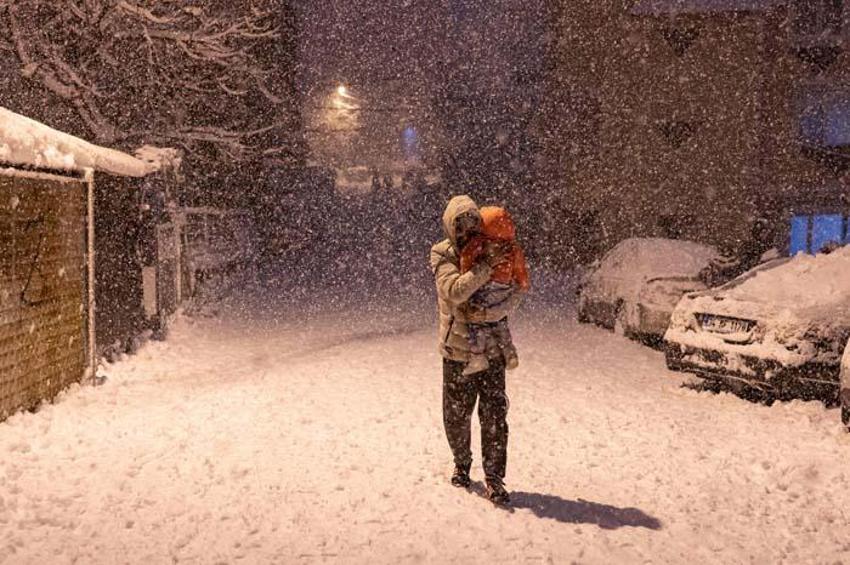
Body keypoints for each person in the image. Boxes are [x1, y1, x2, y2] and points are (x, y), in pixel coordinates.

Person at [429, 195, 524, 506]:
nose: (468, 233)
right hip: (457, 350)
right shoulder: (441, 254)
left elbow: (513, 292)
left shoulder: (493, 245)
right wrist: (484, 268)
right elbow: (454, 291)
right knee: (456, 416)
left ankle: (495, 478)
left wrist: (490, 314)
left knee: (495, 415)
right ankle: (462, 461)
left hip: (492, 349)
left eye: (473, 226)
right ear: (450, 227)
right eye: (461, 227)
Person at [458, 206, 530, 375]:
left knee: (477, 323)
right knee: (500, 323)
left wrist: (466, 270)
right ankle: (509, 349)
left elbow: (466, 259)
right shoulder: (512, 247)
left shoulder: (479, 244)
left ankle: (476, 355)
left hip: (484, 287)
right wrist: (522, 282)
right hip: (504, 287)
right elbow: (520, 270)